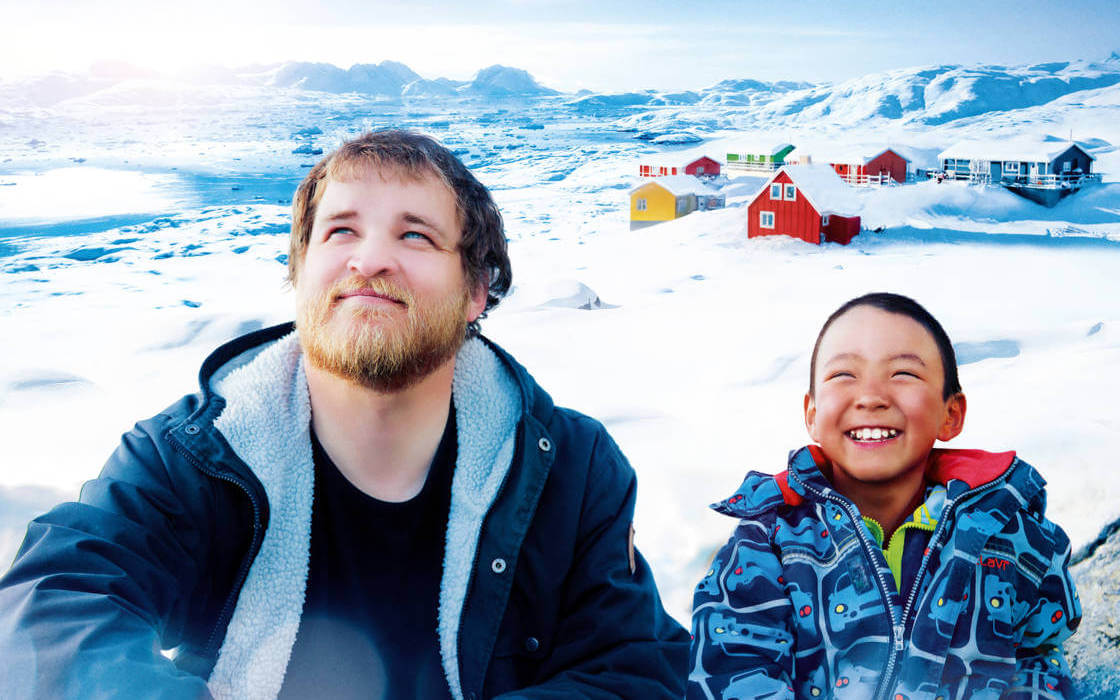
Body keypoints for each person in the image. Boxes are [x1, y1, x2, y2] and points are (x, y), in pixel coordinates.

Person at [0, 130, 689, 699]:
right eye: (340, 230)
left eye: (415, 236)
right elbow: (51, 605)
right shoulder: (194, 456)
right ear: (301, 274)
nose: (369, 260)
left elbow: (634, 672)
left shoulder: (572, 468)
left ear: (477, 292)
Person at [688, 292, 1080, 699]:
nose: (871, 396)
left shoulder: (1008, 534)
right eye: (843, 375)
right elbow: (732, 671)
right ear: (812, 415)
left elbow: (1040, 653)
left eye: (903, 374)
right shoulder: (768, 545)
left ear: (951, 414)